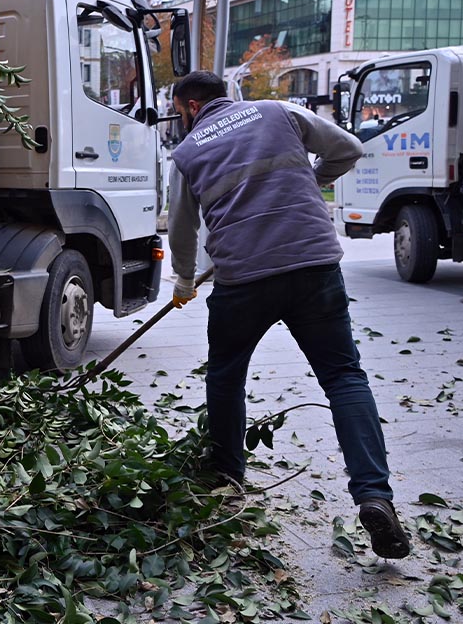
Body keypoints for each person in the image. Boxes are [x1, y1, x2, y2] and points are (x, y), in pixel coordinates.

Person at [166, 70, 411, 560]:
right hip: (313, 265)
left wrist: (186, 281)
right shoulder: (279, 111)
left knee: (226, 376)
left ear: (191, 107)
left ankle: (228, 482)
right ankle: (373, 495)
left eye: (177, 112)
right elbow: (348, 148)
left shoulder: (188, 152)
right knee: (343, 376)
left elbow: (181, 226)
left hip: (243, 278)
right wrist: (309, 180)